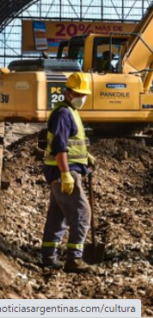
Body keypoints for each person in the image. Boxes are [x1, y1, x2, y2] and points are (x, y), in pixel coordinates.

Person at [41, 72, 96, 273]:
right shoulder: (64, 113)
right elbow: (59, 147)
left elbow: (71, 143)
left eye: (84, 93)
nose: (82, 97)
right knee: (82, 214)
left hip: (64, 170)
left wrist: (86, 156)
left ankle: (48, 256)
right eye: (79, 93)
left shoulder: (70, 111)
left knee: (57, 216)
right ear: (68, 92)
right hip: (64, 172)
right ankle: (74, 258)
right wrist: (65, 174)